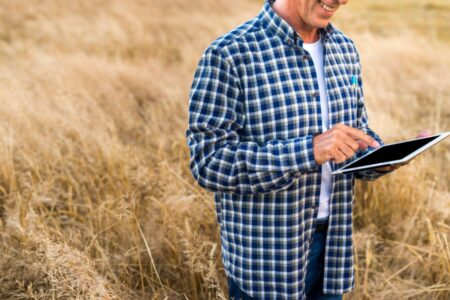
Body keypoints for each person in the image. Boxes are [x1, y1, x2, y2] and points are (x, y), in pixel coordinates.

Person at [185, 0, 431, 299]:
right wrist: (309, 151)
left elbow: (356, 133)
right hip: (267, 260)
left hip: (333, 250)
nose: (340, 1)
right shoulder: (230, 54)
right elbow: (208, 162)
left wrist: (379, 159)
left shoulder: (345, 49)